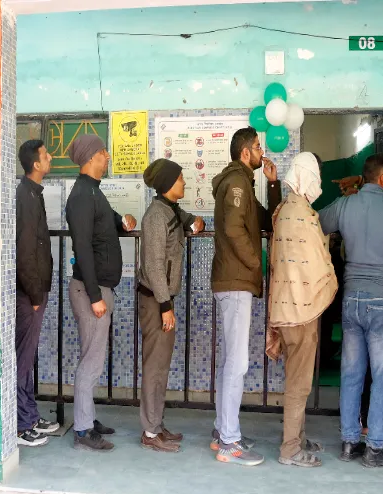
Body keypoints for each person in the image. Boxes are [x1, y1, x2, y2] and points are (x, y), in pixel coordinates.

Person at [319, 152, 383, 468]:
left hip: (352, 301)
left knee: (351, 375)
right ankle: (376, 447)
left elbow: (318, 221)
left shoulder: (347, 205)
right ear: (382, 178)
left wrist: (345, 197)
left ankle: (350, 442)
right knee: (382, 376)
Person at [210, 127, 281, 466]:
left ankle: (222, 430)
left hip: (234, 281)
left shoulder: (243, 183)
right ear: (244, 152)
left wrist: (272, 184)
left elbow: (267, 221)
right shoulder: (237, 184)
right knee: (237, 364)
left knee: (230, 362)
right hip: (236, 282)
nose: (261, 150)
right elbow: (233, 229)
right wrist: (256, 263)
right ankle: (229, 443)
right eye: (257, 146)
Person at [66, 135, 136, 452]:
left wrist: (123, 221)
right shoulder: (82, 195)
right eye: (104, 153)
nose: (108, 157)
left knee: (92, 357)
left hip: (98, 289)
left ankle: (87, 417)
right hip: (90, 290)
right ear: (93, 156)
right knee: (91, 362)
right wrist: (95, 296)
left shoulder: (94, 192)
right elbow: (82, 246)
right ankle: (82, 429)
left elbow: (105, 225)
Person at [266, 152, 337, 468]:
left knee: (297, 377)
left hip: (285, 305)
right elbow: (318, 262)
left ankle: (299, 437)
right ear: (308, 177)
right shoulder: (303, 215)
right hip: (302, 309)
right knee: (299, 383)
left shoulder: (283, 211)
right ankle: (290, 449)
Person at [137, 159, 204, 453]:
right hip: (155, 300)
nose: (184, 183)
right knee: (154, 366)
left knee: (161, 366)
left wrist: (196, 222)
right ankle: (150, 433)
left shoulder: (170, 210)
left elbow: (187, 219)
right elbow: (152, 265)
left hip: (162, 299)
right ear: (167, 184)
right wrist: (165, 305)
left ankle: (157, 423)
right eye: (180, 179)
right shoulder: (155, 217)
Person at [15, 140, 60, 447]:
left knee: (28, 358)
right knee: (22, 359)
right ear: (35, 164)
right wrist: (33, 295)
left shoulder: (33, 193)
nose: (50, 158)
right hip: (28, 293)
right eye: (46, 155)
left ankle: (29, 415)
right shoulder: (26, 197)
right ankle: (19, 425)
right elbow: (25, 252)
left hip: (35, 290)